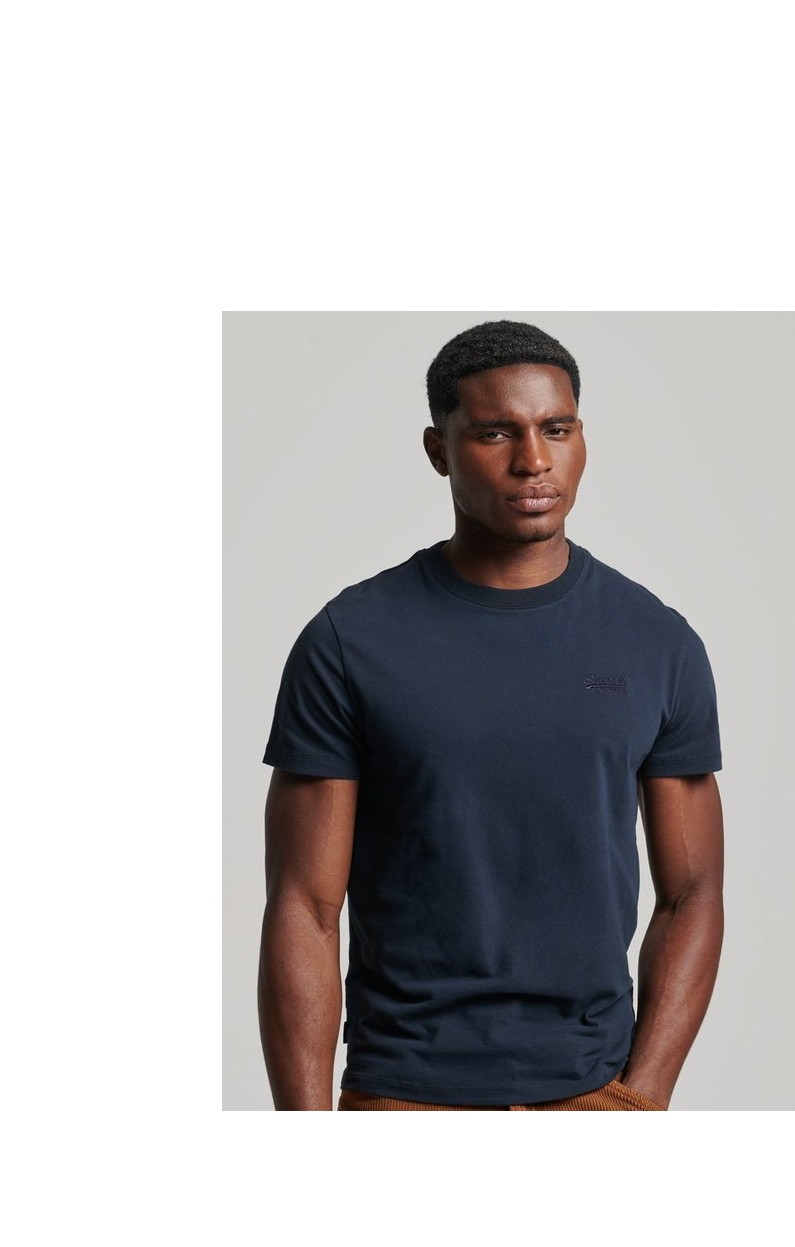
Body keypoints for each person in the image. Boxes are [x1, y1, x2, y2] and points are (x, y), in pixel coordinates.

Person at [258, 319, 724, 1110]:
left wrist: (640, 1098)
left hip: (592, 1090)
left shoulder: (657, 643)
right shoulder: (350, 640)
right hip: (403, 1091)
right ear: (439, 450)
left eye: (557, 429)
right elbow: (304, 906)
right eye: (496, 433)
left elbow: (693, 893)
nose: (534, 460)